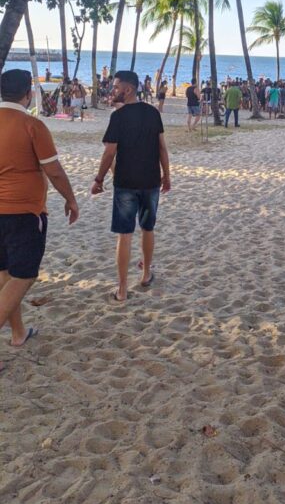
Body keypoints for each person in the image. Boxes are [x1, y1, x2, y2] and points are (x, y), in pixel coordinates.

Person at [0, 69, 78, 349]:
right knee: (25, 275)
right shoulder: (32, 125)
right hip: (23, 212)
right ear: (28, 93)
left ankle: (18, 333)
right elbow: (54, 171)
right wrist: (71, 199)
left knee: (6, 275)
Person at [91, 70, 171, 302]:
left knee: (124, 235)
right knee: (148, 228)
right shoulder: (153, 112)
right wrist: (166, 175)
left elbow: (109, 153)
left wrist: (98, 179)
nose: (112, 90)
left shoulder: (119, 117)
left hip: (126, 182)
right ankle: (145, 275)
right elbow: (162, 148)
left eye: (116, 87)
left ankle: (123, 288)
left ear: (128, 89)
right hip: (150, 181)